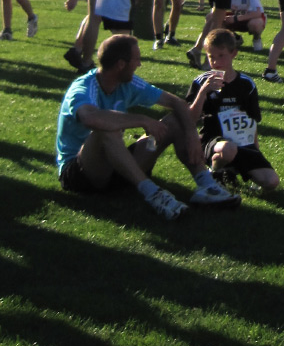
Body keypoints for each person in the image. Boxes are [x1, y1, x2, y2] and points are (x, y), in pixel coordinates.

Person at [55, 34, 241, 220]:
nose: (139, 64)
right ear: (121, 64)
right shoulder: (83, 88)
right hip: (81, 173)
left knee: (176, 119)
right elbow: (90, 118)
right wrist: (141, 119)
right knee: (105, 129)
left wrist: (192, 134)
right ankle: (153, 194)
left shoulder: (127, 83)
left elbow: (175, 102)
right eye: (136, 59)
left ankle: (207, 185)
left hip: (115, 167)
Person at [187, 29, 279, 191]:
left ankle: (233, 169)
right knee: (228, 149)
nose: (215, 62)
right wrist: (203, 93)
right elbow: (189, 119)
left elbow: (252, 121)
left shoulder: (246, 85)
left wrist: (255, 151)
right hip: (213, 141)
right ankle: (215, 171)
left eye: (221, 56)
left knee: (271, 182)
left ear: (233, 54)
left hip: (243, 142)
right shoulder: (201, 82)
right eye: (211, 57)